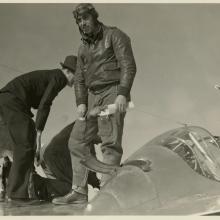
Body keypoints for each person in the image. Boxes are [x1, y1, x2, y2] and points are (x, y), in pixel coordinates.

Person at [52, 3, 136, 205]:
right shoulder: (82, 48)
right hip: (91, 98)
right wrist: (81, 102)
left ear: (94, 17)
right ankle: (79, 192)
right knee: (76, 141)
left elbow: (128, 65)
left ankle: (107, 196)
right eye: (79, 21)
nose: (82, 23)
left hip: (112, 92)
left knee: (109, 143)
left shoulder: (115, 36)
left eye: (85, 18)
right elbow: (79, 79)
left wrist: (123, 93)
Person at [0, 55, 77, 205]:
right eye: (78, 75)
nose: (76, 81)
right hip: (13, 102)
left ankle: (11, 192)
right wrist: (39, 133)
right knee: (25, 145)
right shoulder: (59, 77)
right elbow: (45, 104)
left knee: (22, 143)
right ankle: (17, 196)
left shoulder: (52, 75)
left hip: (7, 102)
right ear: (68, 72)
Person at [31, 122, 100, 201]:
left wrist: (95, 184)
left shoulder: (83, 125)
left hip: (48, 152)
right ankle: (36, 185)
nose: (99, 143)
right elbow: (90, 162)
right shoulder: (87, 130)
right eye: (100, 139)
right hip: (53, 155)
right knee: (73, 190)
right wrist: (96, 184)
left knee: (64, 188)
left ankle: (40, 189)